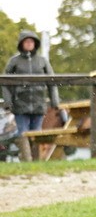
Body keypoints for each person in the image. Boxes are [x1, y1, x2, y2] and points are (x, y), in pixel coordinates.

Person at [4, 30, 60, 162]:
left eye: (31, 41)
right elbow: (5, 82)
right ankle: (25, 159)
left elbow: (52, 82)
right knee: (22, 134)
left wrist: (55, 101)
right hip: (20, 104)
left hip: (38, 103)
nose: (29, 44)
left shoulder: (42, 61)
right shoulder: (14, 61)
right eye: (26, 41)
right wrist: (8, 102)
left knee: (37, 134)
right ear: (21, 43)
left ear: (35, 44)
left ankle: (35, 160)